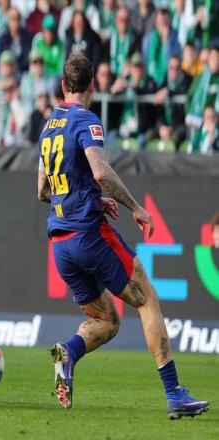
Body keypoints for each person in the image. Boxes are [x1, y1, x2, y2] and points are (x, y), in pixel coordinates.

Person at [37, 53, 209, 419]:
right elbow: (101, 171)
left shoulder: (49, 126)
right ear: (93, 85)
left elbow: (42, 190)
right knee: (147, 299)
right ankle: (174, 393)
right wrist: (136, 207)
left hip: (60, 244)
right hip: (88, 234)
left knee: (108, 321)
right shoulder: (86, 119)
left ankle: (68, 352)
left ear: (64, 86)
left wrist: (89, 197)